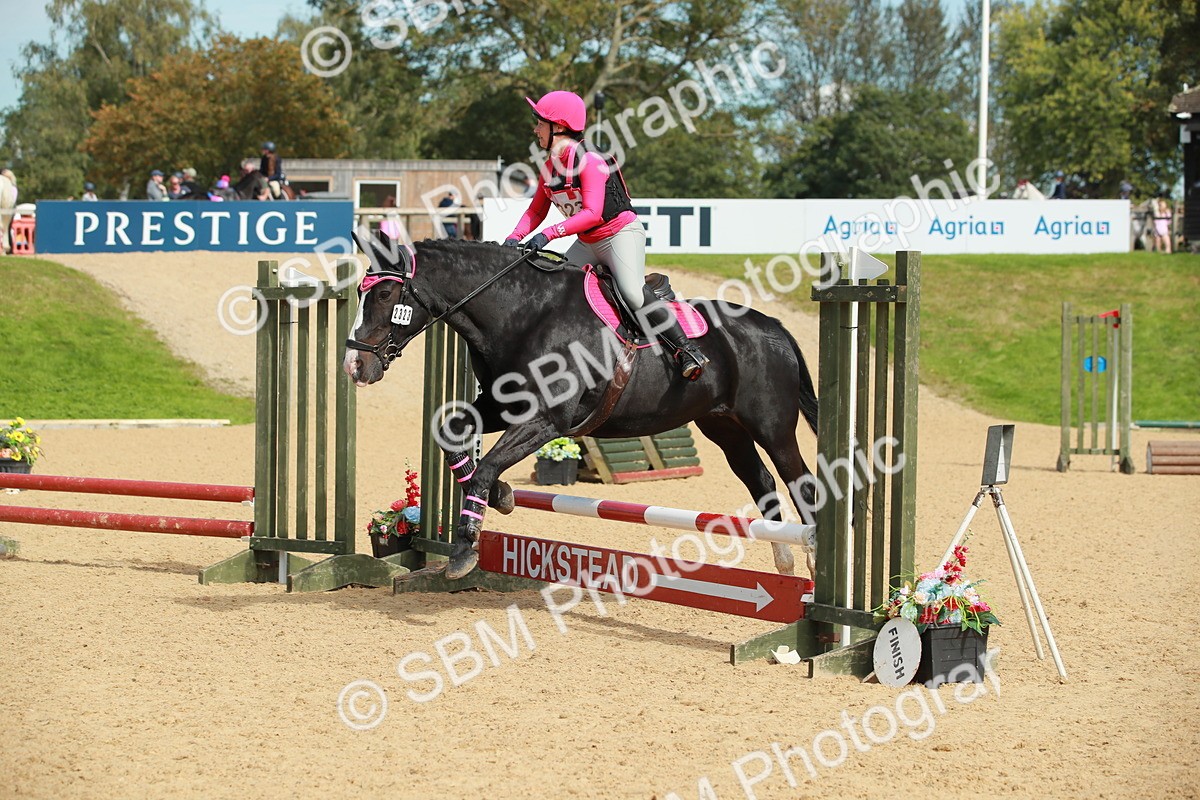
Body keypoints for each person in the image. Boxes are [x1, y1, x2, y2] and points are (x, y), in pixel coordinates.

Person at [503, 90, 708, 380]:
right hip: (587, 243)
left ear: (559, 127)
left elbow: (593, 213)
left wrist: (548, 236)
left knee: (633, 294)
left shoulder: (591, 161)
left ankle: (686, 349)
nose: (535, 129)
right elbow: (535, 212)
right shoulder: (549, 168)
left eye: (540, 123)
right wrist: (514, 238)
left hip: (619, 235)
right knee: (557, 291)